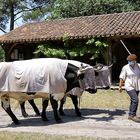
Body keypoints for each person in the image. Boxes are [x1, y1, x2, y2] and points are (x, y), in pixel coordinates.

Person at [119, 54, 140, 123]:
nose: (129, 62)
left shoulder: (139, 66)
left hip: (137, 85)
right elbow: (122, 77)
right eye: (128, 61)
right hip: (129, 86)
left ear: (134, 61)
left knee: (133, 100)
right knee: (135, 100)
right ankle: (132, 115)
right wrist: (120, 86)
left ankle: (130, 115)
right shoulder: (125, 67)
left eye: (131, 61)